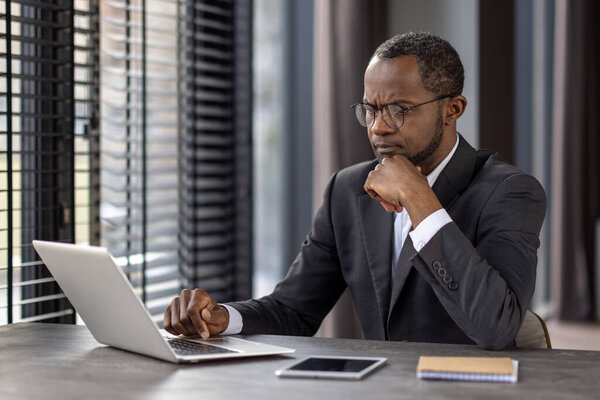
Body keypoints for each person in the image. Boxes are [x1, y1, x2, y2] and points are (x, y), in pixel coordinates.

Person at [163, 32, 546, 350]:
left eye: (398, 109)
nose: (378, 127)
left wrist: (419, 199)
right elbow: (294, 310)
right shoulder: (347, 190)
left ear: (453, 109)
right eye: (370, 109)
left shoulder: (510, 191)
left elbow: (497, 327)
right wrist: (221, 317)